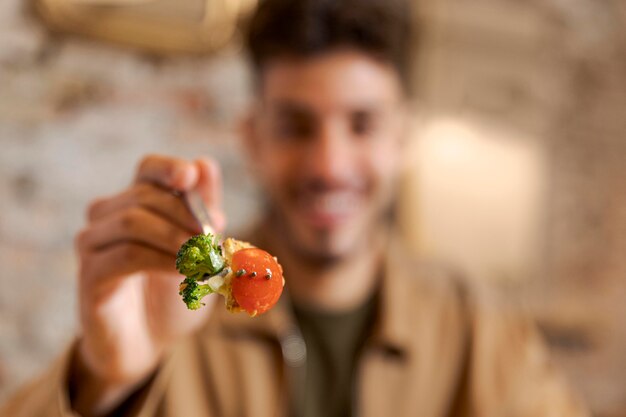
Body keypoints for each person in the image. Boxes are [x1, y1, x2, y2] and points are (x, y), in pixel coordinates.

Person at [2, 0, 588, 416]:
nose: (329, 164)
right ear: (253, 137)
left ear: (402, 138)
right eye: (295, 125)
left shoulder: (474, 327)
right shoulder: (178, 317)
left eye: (363, 124)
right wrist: (108, 380)